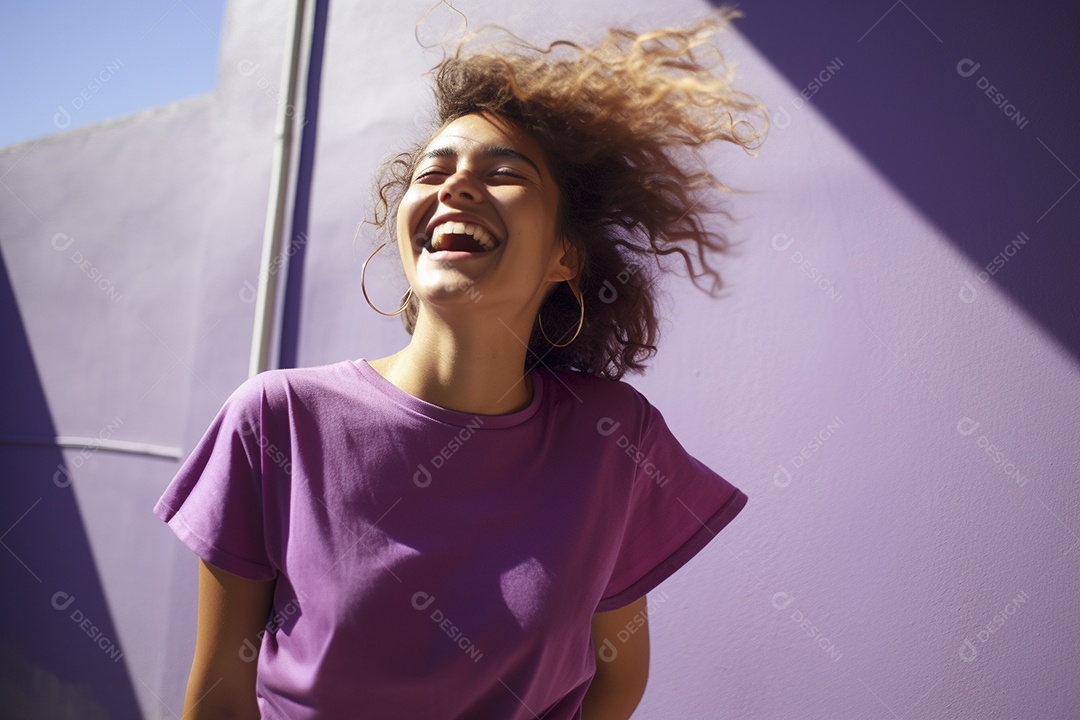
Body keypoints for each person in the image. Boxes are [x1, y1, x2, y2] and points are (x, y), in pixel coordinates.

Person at [154, 10, 763, 719]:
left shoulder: (612, 437)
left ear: (566, 256)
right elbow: (220, 694)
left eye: (504, 174)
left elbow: (617, 679)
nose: (455, 186)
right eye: (431, 171)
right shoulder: (275, 419)